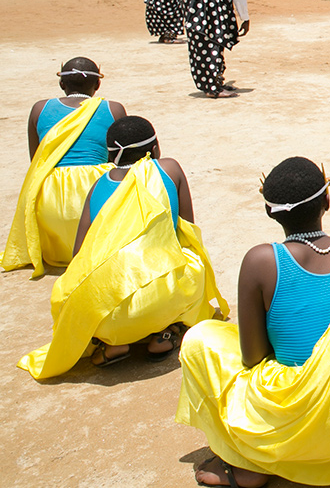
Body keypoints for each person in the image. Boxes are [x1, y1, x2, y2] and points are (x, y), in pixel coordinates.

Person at [176, 157, 330, 487]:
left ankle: (252, 461)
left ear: (269, 211)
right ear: (327, 201)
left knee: (201, 339)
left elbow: (252, 357)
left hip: (298, 415)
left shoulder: (261, 261)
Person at [18, 116, 227, 378]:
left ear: (110, 154)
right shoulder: (169, 169)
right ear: (154, 149)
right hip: (158, 299)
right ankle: (168, 330)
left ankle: (114, 342)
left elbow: (78, 255)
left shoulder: (97, 186)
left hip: (104, 311)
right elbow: (188, 229)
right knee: (193, 259)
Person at [3, 58, 126, 277]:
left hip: (51, 198)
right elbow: (119, 160)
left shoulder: (40, 109)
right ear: (97, 85)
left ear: (62, 84)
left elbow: (37, 162)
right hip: (95, 195)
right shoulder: (113, 109)